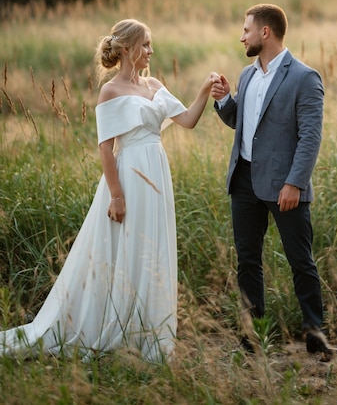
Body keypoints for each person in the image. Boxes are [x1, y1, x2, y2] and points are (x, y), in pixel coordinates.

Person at [1, 18, 220, 362]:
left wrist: (205, 90)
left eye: (150, 44)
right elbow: (106, 148)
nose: (151, 50)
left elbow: (189, 119)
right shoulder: (111, 91)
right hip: (129, 175)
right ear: (127, 49)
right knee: (124, 246)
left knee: (151, 247)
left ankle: (147, 331)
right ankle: (114, 327)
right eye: (145, 44)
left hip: (157, 173)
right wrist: (116, 196)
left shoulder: (155, 84)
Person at [211, 3, 335, 359]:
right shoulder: (247, 75)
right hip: (244, 180)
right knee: (248, 261)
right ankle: (253, 337)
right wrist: (224, 101)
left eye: (246, 30)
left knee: (301, 261)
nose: (241, 36)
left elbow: (311, 136)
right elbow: (244, 124)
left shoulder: (304, 77)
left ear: (264, 32)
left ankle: (316, 334)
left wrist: (295, 183)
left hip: (285, 185)